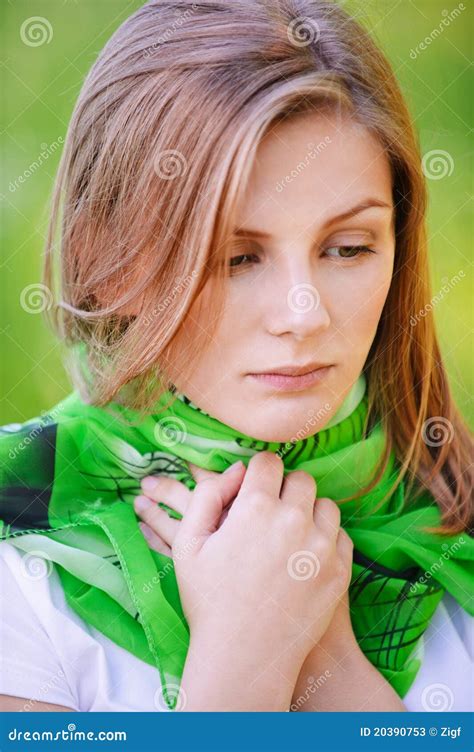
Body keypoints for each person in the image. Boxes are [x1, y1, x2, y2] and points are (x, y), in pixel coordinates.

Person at [0, 0, 472, 713]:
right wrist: (245, 660)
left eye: (348, 248)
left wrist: (334, 666)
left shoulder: (451, 520)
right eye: (235, 257)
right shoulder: (18, 550)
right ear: (107, 261)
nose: (302, 315)